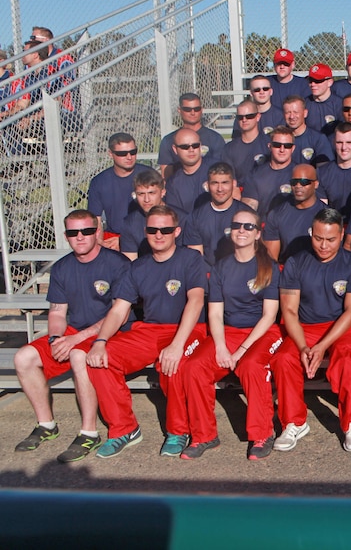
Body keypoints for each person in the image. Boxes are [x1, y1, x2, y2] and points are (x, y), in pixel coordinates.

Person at [87, 205, 208, 459]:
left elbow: (195, 301)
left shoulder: (191, 259)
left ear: (177, 231)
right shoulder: (137, 267)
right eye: (153, 229)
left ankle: (178, 431)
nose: (159, 234)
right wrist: (100, 340)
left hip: (188, 329)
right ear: (146, 232)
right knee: (101, 359)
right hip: (150, 330)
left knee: (173, 362)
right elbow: (119, 311)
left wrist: (177, 344)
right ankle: (124, 429)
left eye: (165, 229)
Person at [12, 210, 131, 463]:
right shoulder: (63, 267)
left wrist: (74, 341)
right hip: (75, 331)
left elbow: (118, 314)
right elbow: (57, 312)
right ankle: (46, 425)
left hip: (110, 333)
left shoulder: (118, 263)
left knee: (78, 356)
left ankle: (89, 432)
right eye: (73, 232)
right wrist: (56, 339)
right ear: (66, 236)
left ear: (97, 231)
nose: (80, 237)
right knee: (23, 357)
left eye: (87, 231)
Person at [179, 208, 282, 460]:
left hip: (262, 333)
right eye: (237, 226)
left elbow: (269, 316)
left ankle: (262, 433)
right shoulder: (221, 267)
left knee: (251, 366)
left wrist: (241, 351)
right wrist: (222, 348)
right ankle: (204, 435)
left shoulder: (268, 267)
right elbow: (215, 314)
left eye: (248, 227)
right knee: (194, 367)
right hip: (228, 332)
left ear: (258, 233)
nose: (242, 231)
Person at [271, 208, 351, 452]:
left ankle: (350, 420)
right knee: (283, 359)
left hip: (341, 327)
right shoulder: (296, 262)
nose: (324, 245)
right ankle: (294, 421)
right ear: (311, 233)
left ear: (342, 235)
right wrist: (303, 346)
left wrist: (322, 346)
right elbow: (289, 310)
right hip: (305, 327)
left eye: (331, 239)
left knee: (346, 361)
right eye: (318, 238)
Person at [86, 131, 153, 247]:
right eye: (122, 153)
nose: (129, 157)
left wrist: (125, 240)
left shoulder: (149, 175)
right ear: (111, 154)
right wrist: (100, 244)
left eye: (133, 152)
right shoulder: (99, 182)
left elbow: (161, 212)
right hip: (113, 237)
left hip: (146, 236)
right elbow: (95, 219)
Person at [263, 164, 325, 264]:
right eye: (294, 182)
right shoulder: (276, 214)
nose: (298, 186)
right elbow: (271, 259)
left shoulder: (326, 215)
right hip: (286, 272)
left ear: (316, 184)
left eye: (304, 182)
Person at [120, 170, 187, 260]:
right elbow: (130, 262)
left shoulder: (182, 219)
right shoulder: (129, 223)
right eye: (141, 194)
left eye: (151, 193)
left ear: (162, 192)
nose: (146, 199)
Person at [183, 162, 241, 267]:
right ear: (207, 185)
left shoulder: (246, 214)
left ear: (233, 184)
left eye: (225, 183)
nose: (220, 189)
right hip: (208, 275)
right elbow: (196, 259)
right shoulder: (195, 218)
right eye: (215, 183)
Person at [157, 93, 225, 176]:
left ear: (202, 109)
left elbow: (221, 171)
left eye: (196, 109)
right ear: (179, 110)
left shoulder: (215, 139)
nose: (193, 113)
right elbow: (166, 176)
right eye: (187, 109)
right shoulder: (168, 140)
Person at [241, 126, 296, 215]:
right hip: (264, 226)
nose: (282, 150)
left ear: (293, 148)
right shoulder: (256, 175)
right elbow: (249, 208)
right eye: (277, 145)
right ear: (270, 146)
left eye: (287, 146)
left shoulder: (300, 174)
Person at [164, 128, 211, 215]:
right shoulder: (173, 184)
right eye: (185, 147)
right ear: (175, 149)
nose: (191, 150)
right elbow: (176, 216)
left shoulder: (217, 170)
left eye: (195, 145)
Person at [223, 99, 271, 181]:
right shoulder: (229, 149)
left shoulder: (269, 145)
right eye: (240, 117)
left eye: (249, 116)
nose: (244, 120)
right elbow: (229, 180)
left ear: (258, 117)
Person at [282, 95, 332, 166]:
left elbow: (325, 170)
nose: (292, 116)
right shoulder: (279, 140)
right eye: (288, 112)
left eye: (296, 112)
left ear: (305, 113)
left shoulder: (318, 139)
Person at [304, 63, 343, 136]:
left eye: (317, 81)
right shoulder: (304, 104)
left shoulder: (340, 104)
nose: (313, 84)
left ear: (330, 82)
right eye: (310, 80)